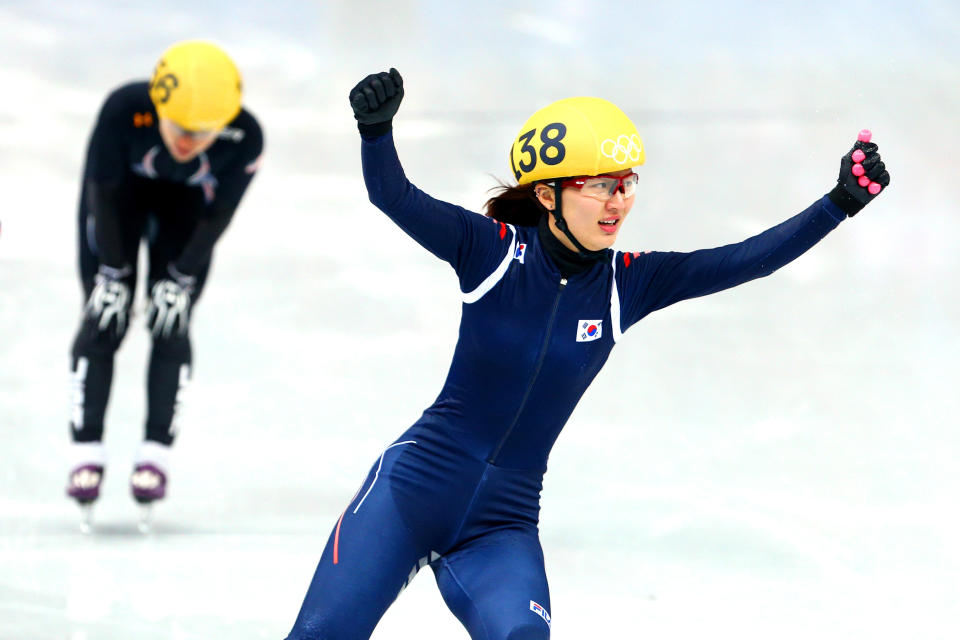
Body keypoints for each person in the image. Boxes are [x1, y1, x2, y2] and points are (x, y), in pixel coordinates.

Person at [284, 69, 889, 640]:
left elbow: (744, 260)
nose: (618, 203)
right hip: (412, 495)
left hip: (502, 524)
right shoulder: (490, 252)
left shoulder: (630, 285)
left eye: (626, 185)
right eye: (600, 186)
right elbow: (393, 196)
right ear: (547, 195)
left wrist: (838, 203)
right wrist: (377, 132)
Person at [65, 40, 264, 524]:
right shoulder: (122, 110)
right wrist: (112, 273)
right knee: (104, 312)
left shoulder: (245, 137)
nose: (187, 142)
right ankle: (85, 449)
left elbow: (220, 214)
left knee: (171, 319)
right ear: (158, 109)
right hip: (119, 204)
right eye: (178, 129)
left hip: (187, 213)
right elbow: (103, 194)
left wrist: (181, 276)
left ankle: (156, 452)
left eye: (203, 134)